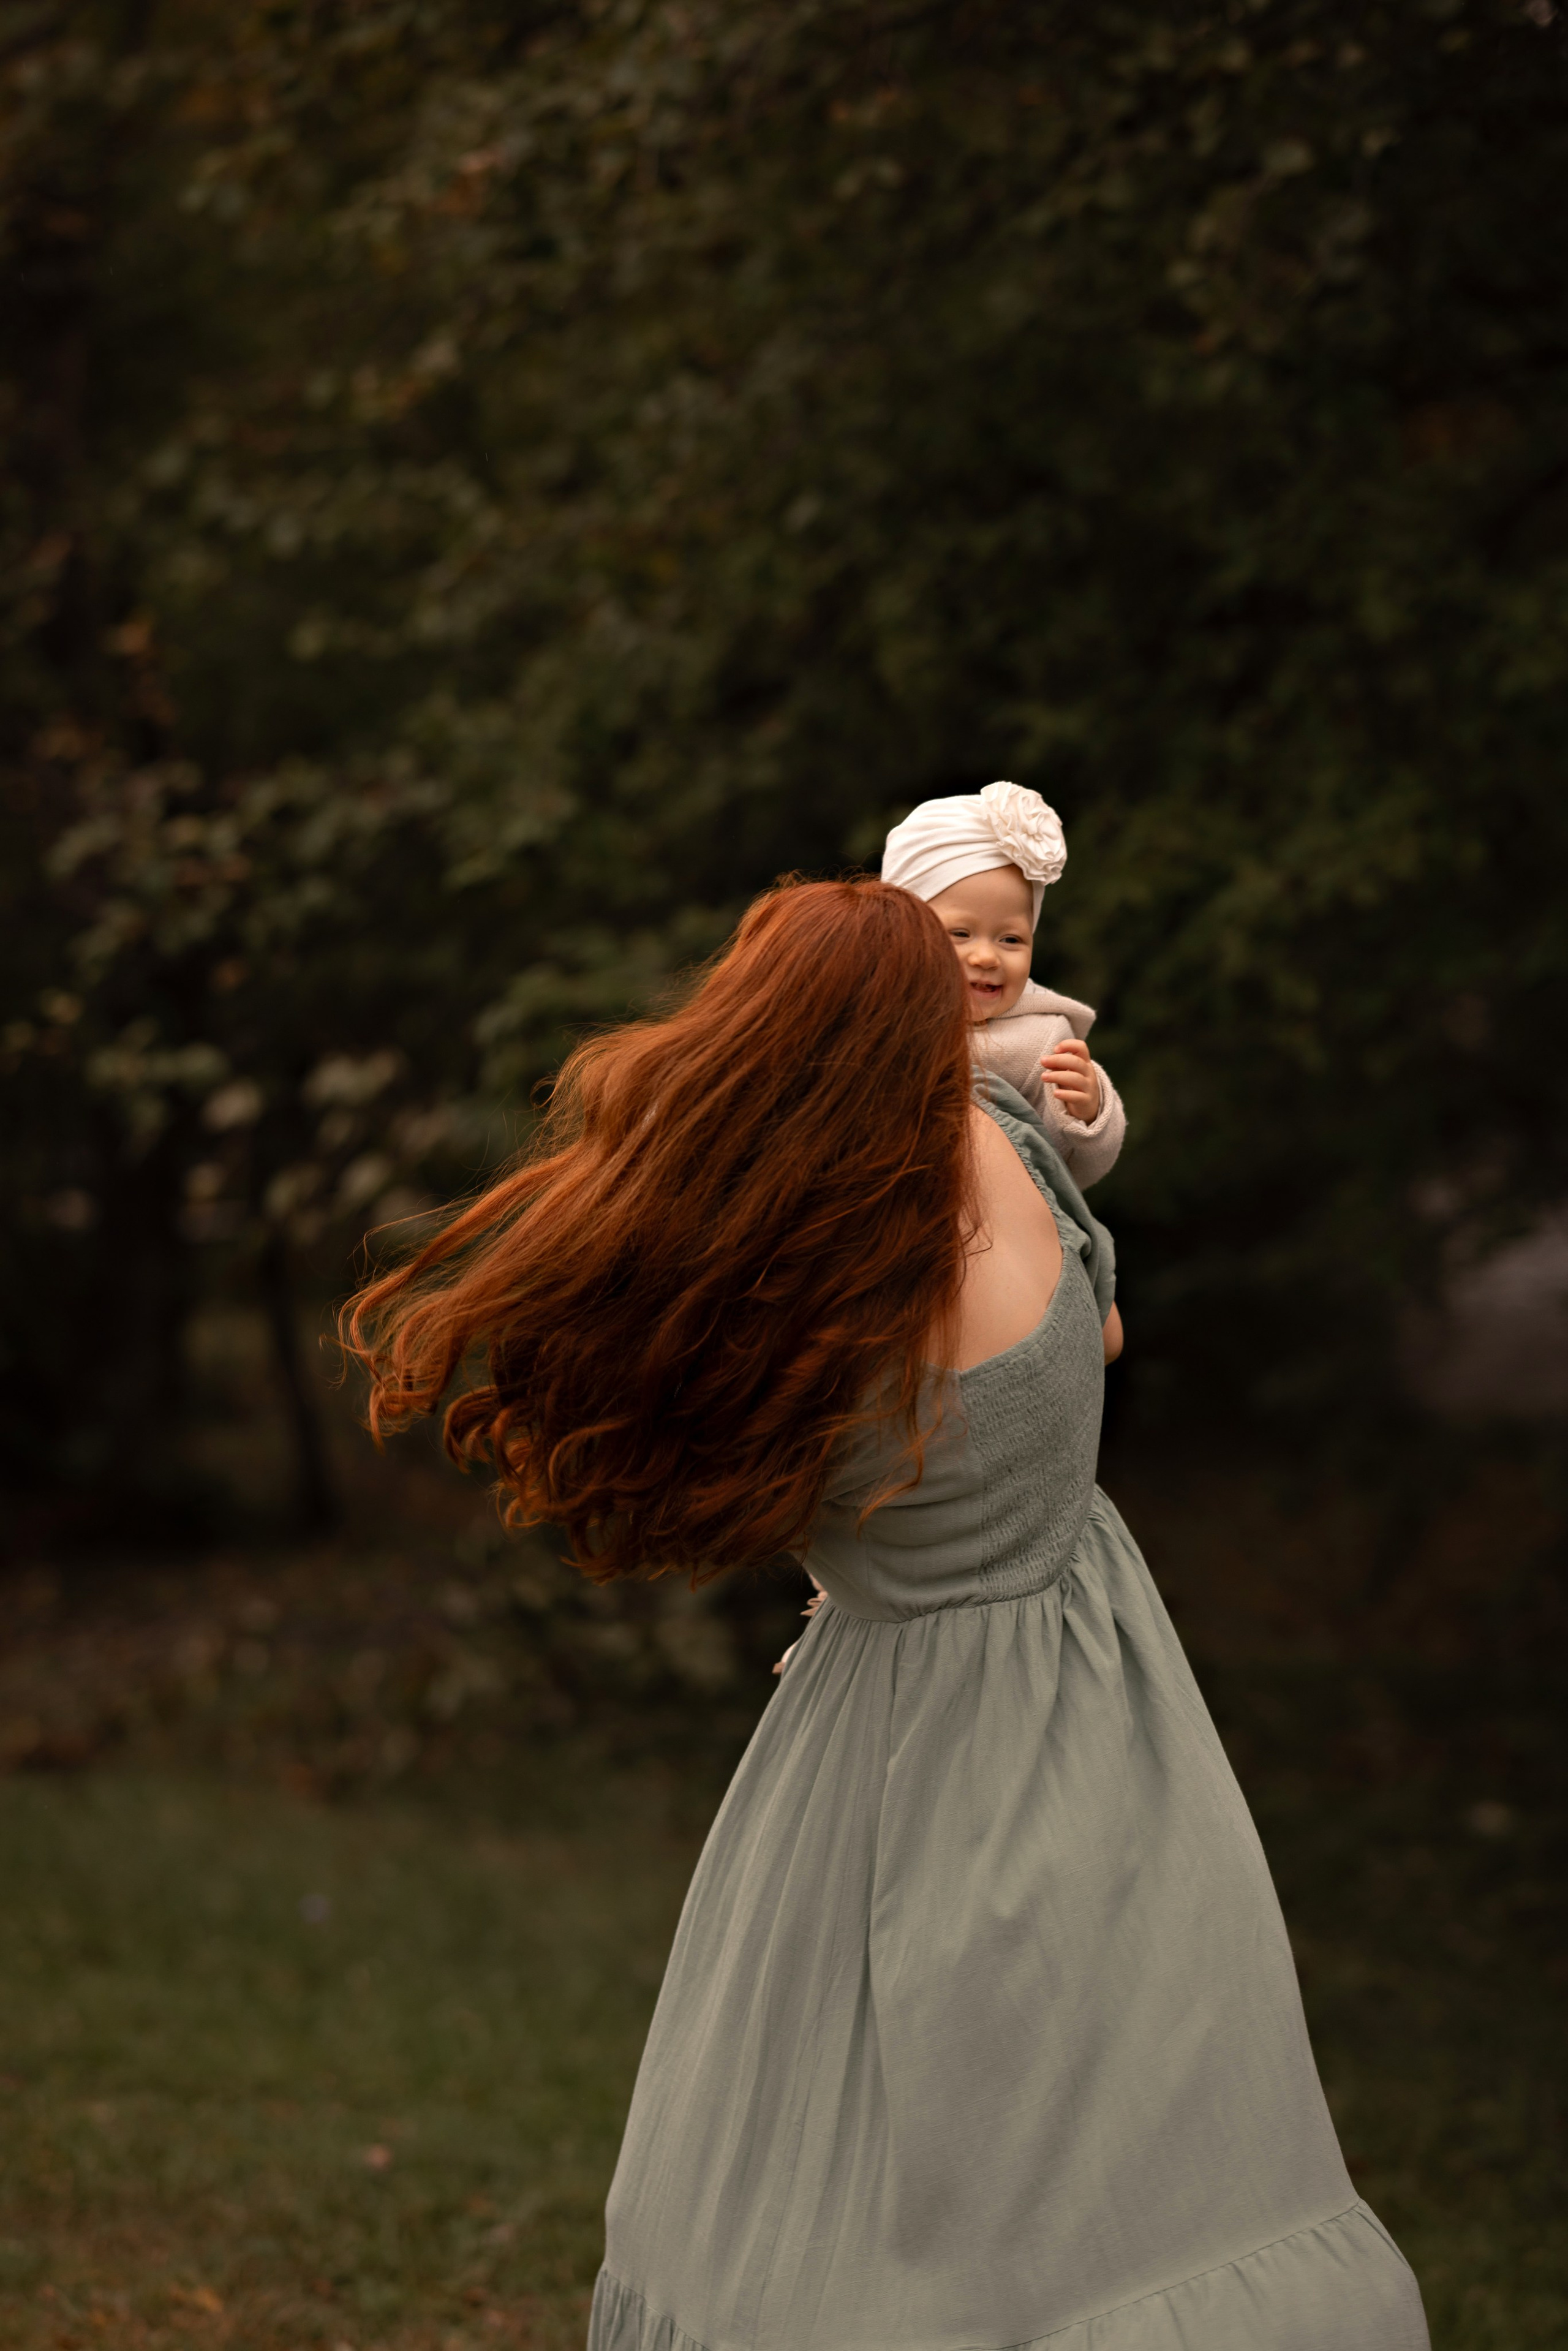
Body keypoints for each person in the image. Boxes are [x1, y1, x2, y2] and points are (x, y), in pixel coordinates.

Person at [342, 876, 1428, 2351]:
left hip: (873, 1737)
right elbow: (1098, 1331)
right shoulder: (1006, 1152)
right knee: (1129, 2118)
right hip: (1100, 1699)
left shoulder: (785, 1292)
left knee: (840, 2135)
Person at [881, 779, 1126, 1184]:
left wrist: (1088, 1111)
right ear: (904, 933)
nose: (985, 957)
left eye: (1010, 939)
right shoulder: (874, 1012)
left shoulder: (1040, 1040)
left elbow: (1069, 1172)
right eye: (959, 934)